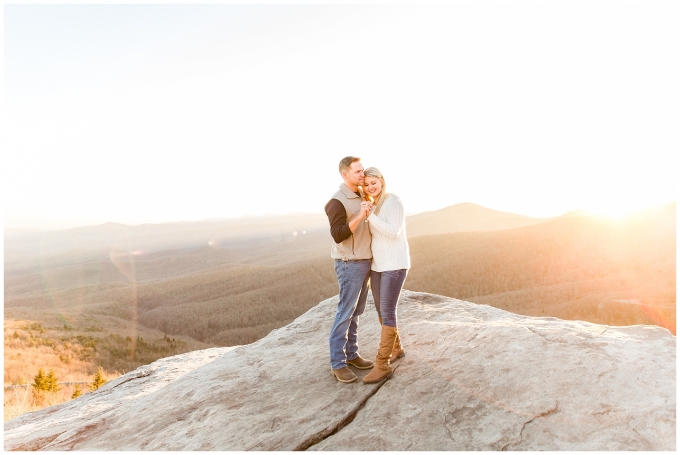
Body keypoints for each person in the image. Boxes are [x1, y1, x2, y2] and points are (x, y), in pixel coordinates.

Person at [324, 156, 375, 383]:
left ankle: (352, 354)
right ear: (345, 175)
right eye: (358, 172)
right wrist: (360, 215)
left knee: (357, 312)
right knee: (345, 312)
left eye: (363, 170)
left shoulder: (361, 194)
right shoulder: (336, 202)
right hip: (349, 264)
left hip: (365, 262)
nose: (362, 175)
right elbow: (338, 234)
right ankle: (337, 363)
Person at [360, 167, 411, 384]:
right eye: (367, 184)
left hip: (395, 264)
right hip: (378, 266)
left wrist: (370, 215)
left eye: (374, 182)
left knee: (388, 310)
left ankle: (382, 364)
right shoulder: (375, 203)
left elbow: (393, 232)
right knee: (380, 309)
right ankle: (396, 348)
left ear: (382, 181)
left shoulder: (392, 201)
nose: (371, 187)